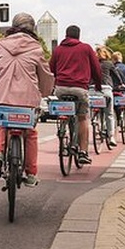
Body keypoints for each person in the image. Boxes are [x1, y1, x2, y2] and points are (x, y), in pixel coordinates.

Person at [0, 13, 53, 187]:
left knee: (2, 124)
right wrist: (44, 92)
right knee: (30, 134)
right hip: (27, 99)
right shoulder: (36, 48)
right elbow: (45, 75)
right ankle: (30, 173)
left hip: (2, 96)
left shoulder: (0, 45)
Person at [49, 25, 102, 166]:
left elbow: (51, 68)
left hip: (61, 88)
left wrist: (55, 82)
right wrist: (97, 85)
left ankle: (63, 130)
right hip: (79, 89)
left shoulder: (58, 50)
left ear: (66, 35)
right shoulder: (86, 48)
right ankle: (83, 152)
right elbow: (96, 68)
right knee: (83, 118)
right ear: (79, 35)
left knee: (64, 110)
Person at [94, 46, 118, 148]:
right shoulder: (109, 64)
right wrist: (120, 84)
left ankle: (95, 121)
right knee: (109, 114)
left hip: (93, 90)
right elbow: (116, 76)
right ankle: (111, 136)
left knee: (93, 109)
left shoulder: (93, 64)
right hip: (106, 90)